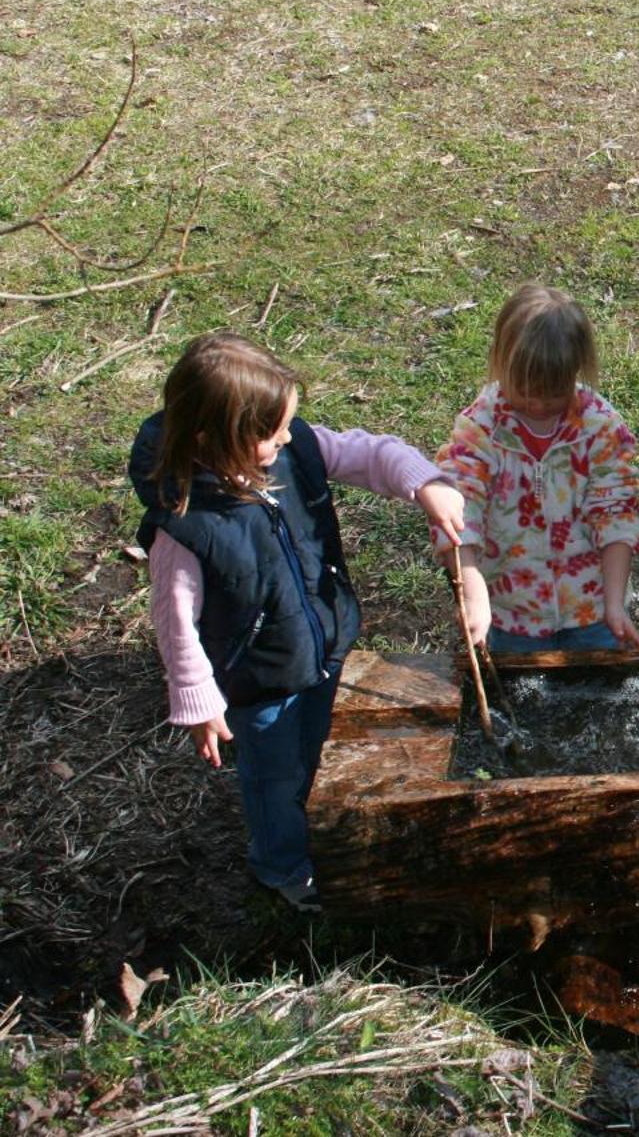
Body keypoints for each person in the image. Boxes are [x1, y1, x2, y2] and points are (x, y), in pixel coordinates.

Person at [129, 332, 466, 912]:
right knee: (273, 774)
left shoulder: (293, 449)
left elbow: (370, 453)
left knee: (314, 743)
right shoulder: (185, 525)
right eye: (271, 431)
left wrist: (426, 484)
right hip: (257, 678)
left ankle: (317, 811)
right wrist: (198, 699)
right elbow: (175, 623)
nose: (287, 437)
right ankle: (281, 863)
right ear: (216, 438)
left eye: (289, 423)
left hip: (321, 641)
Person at [433, 283, 639, 654]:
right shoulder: (481, 429)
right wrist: (472, 590)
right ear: (500, 362)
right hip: (509, 612)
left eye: (553, 393)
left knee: (594, 699)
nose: (537, 404)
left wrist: (614, 604)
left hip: (591, 611)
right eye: (524, 390)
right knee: (516, 704)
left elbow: (617, 513)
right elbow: (457, 512)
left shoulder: (600, 427)